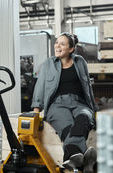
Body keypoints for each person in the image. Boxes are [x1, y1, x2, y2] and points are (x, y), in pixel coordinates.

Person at [31, 32, 97, 173]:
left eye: (62, 43)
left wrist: (93, 110)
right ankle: (86, 163)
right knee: (67, 126)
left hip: (80, 103)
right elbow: (40, 87)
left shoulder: (80, 62)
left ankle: (72, 155)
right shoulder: (48, 64)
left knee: (83, 118)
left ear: (71, 49)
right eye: (56, 43)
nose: (57, 46)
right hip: (57, 105)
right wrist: (36, 112)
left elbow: (88, 87)